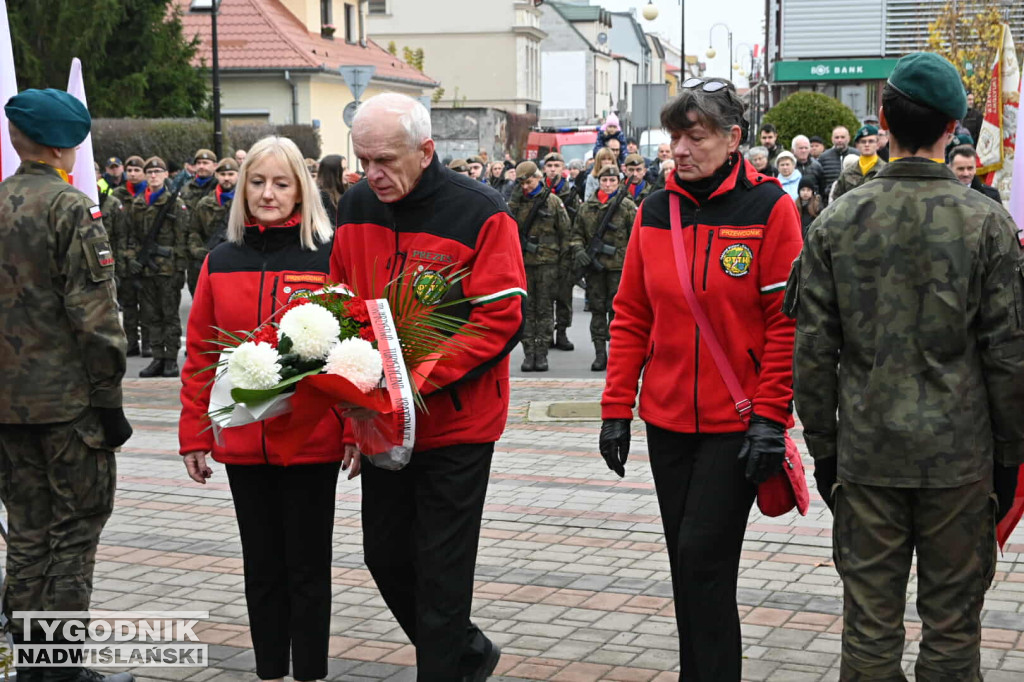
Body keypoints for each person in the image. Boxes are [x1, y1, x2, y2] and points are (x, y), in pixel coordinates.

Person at [789, 51, 1024, 681]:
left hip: (867, 457)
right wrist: (1009, 456)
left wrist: (826, 451)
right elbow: (1009, 357)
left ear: (883, 118)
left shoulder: (836, 221)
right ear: (954, 129)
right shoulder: (988, 224)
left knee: (868, 629)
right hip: (961, 460)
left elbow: (811, 352)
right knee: (953, 628)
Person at [599, 78, 802, 680]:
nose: (680, 150)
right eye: (674, 138)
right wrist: (616, 409)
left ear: (733, 138)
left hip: (733, 426)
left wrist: (770, 420)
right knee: (686, 568)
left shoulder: (770, 209)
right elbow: (631, 313)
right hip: (666, 423)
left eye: (696, 136)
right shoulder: (656, 210)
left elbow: (784, 328)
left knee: (703, 560)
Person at [332, 92, 525, 681]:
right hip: (380, 422)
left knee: (441, 576)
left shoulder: (481, 211)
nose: (372, 174)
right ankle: (467, 654)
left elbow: (501, 317)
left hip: (457, 426)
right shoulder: (356, 206)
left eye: (385, 160)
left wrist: (412, 377)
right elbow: (340, 308)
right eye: (363, 159)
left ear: (426, 151)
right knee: (384, 558)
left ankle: (445, 666)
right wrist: (351, 414)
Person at [179, 136, 347, 682]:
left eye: (281, 182)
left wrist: (352, 430)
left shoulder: (327, 255)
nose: (268, 193)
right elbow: (201, 351)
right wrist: (194, 434)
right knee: (262, 568)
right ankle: (270, 670)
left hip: (312, 440)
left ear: (301, 187)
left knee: (308, 567)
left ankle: (311, 673)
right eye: (257, 182)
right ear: (241, 187)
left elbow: (353, 351)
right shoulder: (220, 261)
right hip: (244, 444)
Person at [0, 88, 135, 682]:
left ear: (15, 138)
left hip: (7, 407)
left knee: (26, 533)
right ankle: (59, 670)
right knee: (73, 532)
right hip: (68, 407)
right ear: (67, 145)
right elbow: (96, 319)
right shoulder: (72, 208)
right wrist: (110, 401)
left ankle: (31, 667)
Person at [125, 157, 189, 378]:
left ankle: (171, 360)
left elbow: (182, 239)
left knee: (169, 316)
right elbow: (131, 236)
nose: (153, 175)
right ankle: (157, 358)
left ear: (165, 175)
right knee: (151, 316)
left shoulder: (174, 203)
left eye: (157, 171)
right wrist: (132, 258)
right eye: (149, 171)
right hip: (146, 270)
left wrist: (180, 269)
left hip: (168, 270)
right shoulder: (138, 203)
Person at [570, 165, 637, 371]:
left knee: (617, 313)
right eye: (604, 181)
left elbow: (636, 237)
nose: (608, 185)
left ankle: (617, 354)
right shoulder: (586, 207)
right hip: (595, 270)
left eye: (612, 181)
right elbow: (576, 234)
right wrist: (579, 250)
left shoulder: (626, 207)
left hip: (618, 268)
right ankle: (600, 354)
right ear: (598, 182)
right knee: (597, 311)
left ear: (618, 182)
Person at [509, 161, 570, 372]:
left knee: (544, 310)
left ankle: (542, 352)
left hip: (547, 265)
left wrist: (564, 266)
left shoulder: (552, 202)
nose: (525, 187)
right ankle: (528, 353)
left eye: (528, 182)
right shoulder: (515, 203)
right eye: (522, 183)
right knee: (526, 310)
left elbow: (565, 233)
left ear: (537, 177)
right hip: (524, 264)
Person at [542, 152, 580, 351]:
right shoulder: (538, 191)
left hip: (565, 252)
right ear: (545, 168)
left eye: (557, 165)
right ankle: (547, 333)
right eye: (550, 165)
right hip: (543, 254)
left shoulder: (569, 193)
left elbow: (578, 223)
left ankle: (562, 332)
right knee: (544, 297)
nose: (553, 169)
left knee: (564, 297)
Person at [112, 155, 149, 357]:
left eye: (137, 170)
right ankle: (131, 342)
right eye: (130, 170)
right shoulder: (118, 194)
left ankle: (148, 343)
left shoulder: (148, 194)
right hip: (123, 256)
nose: (133, 174)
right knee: (128, 305)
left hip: (143, 257)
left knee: (147, 305)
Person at [188, 157, 238, 276]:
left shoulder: (246, 203)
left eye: (231, 174)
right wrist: (196, 249)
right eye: (222, 174)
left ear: (239, 175)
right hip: (210, 260)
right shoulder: (204, 204)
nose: (226, 178)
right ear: (216, 175)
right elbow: (194, 231)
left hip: (237, 262)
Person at [181, 149, 218, 295]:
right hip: (193, 251)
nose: (202, 166)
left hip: (216, 247)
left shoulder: (219, 187)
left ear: (214, 165)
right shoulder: (186, 189)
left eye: (206, 163)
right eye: (199, 163)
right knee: (196, 293)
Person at [831, 124, 886, 201]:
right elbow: (836, 200)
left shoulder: (886, 171)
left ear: (878, 144)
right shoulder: (847, 172)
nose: (867, 145)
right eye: (863, 142)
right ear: (857, 145)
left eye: (871, 141)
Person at [818, 125, 859, 198]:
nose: (839, 140)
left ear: (848, 138)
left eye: (842, 137)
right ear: (832, 139)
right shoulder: (823, 158)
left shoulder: (857, 155)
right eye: (837, 137)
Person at [316, 153, 346, 226]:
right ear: (332, 173)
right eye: (344, 169)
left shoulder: (345, 191)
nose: (348, 173)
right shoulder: (322, 197)